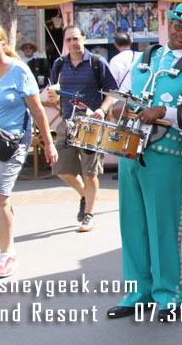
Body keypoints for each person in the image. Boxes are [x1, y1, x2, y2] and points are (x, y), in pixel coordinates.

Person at [106, 3, 182, 322]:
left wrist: (166, 113)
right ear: (169, 23)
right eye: (179, 25)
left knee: (163, 226)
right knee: (132, 224)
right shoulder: (143, 58)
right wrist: (114, 109)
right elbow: (122, 94)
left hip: (166, 153)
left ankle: (168, 296)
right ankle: (137, 293)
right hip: (129, 150)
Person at [0, 23, 58, 278]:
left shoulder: (18, 70)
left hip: (13, 141)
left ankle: (7, 253)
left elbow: (37, 109)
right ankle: (7, 238)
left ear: (3, 44)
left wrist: (48, 141)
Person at [44, 25, 118, 232]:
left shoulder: (96, 62)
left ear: (84, 39)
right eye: (68, 40)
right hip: (67, 122)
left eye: (76, 39)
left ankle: (89, 214)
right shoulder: (59, 64)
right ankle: (85, 196)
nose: (72, 44)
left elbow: (112, 91)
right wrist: (53, 96)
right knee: (63, 170)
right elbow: (55, 92)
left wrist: (102, 111)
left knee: (90, 172)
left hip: (90, 125)